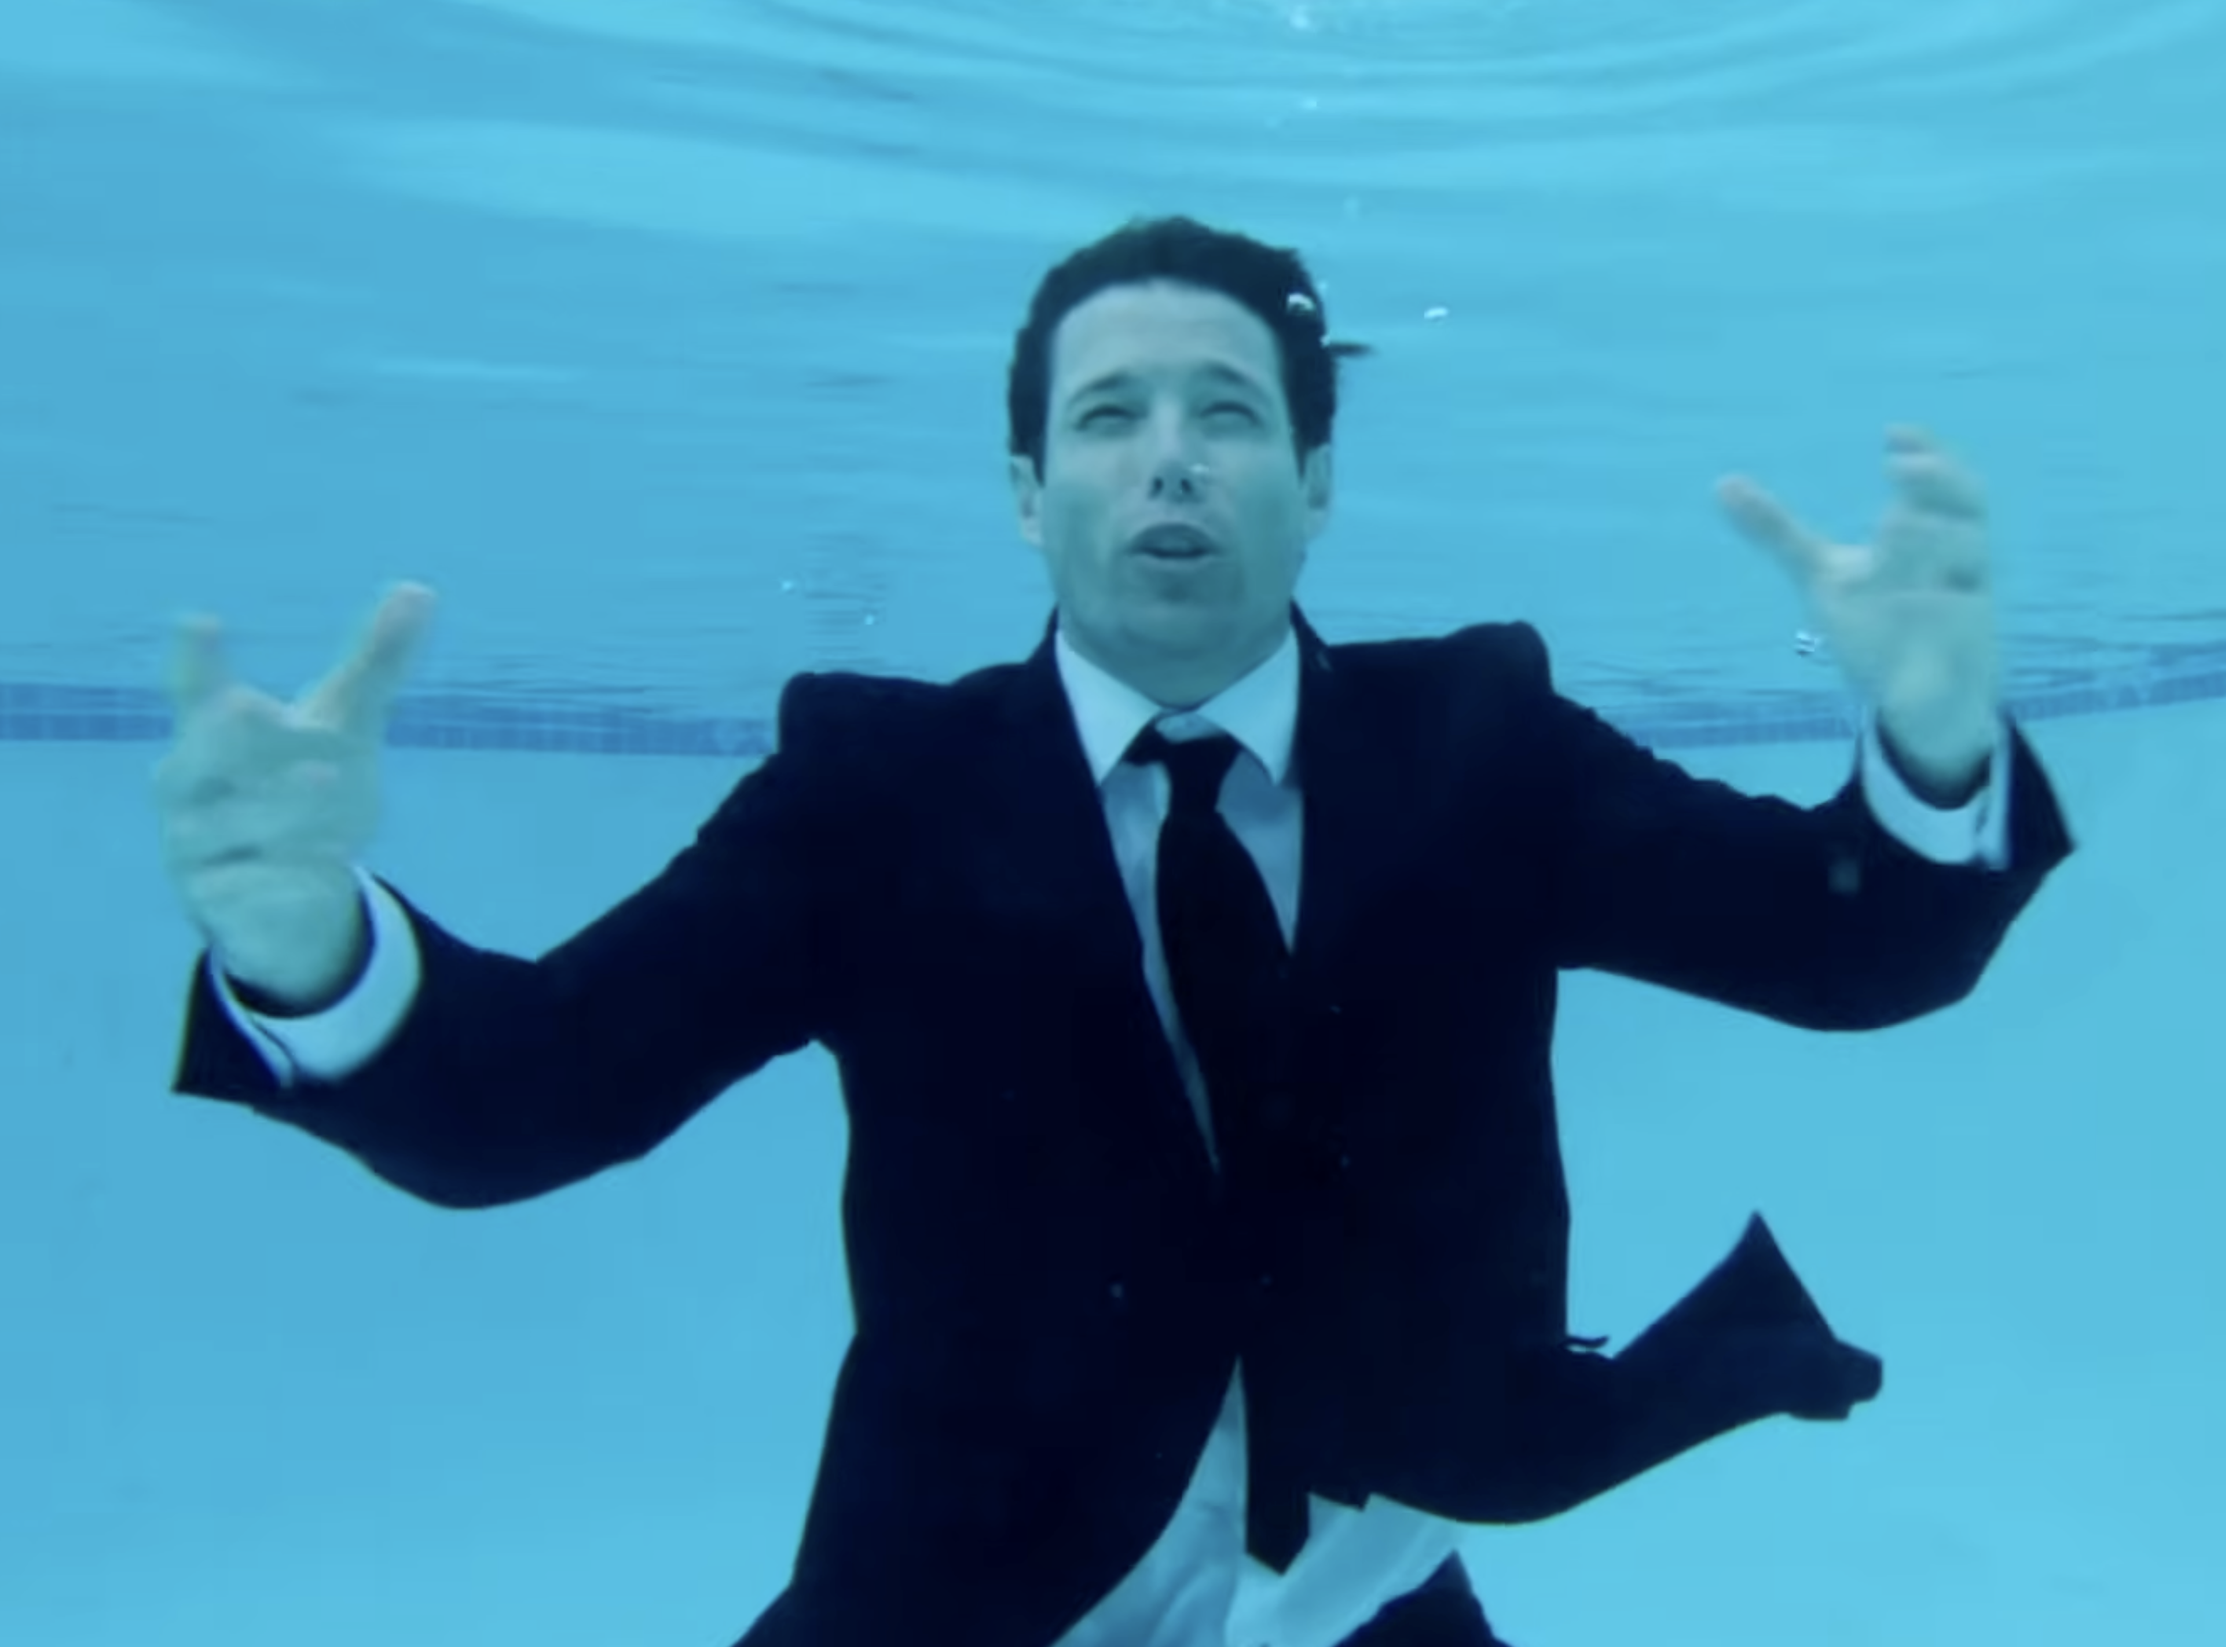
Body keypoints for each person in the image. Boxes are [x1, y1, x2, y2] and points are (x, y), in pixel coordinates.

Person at [156, 215, 2074, 1647]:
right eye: (1110, 416)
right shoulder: (873, 793)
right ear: (1026, 490)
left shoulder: (1482, 748)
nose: (1172, 456)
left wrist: (1927, 741)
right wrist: (306, 937)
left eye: (1231, 413)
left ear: (1315, 483)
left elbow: (1848, 951)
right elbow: (531, 1096)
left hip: (1378, 1574)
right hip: (969, 1589)